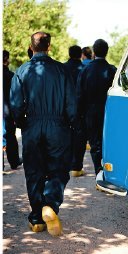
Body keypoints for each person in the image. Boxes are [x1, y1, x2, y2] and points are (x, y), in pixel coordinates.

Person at [10, 32, 76, 236]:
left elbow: (14, 105)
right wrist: (71, 125)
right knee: (58, 170)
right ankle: (50, 204)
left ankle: (37, 219)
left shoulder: (21, 71)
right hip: (58, 126)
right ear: (49, 46)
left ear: (31, 47)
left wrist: (23, 124)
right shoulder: (62, 70)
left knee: (34, 172)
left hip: (32, 124)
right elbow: (72, 103)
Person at [76, 39, 117, 176]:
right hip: (109, 113)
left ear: (94, 52)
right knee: (109, 143)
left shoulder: (85, 70)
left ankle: (99, 173)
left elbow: (79, 94)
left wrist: (79, 114)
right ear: (107, 51)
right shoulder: (112, 70)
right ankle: (109, 172)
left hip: (90, 113)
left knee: (95, 144)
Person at [64, 45, 86, 177]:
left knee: (65, 135)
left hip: (64, 107)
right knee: (80, 137)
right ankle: (76, 166)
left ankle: (65, 163)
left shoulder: (62, 68)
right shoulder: (85, 68)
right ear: (80, 55)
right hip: (80, 107)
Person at [3, 50, 22, 170]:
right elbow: (15, 96)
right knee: (10, 135)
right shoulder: (10, 76)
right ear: (6, 60)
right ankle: (14, 161)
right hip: (7, 111)